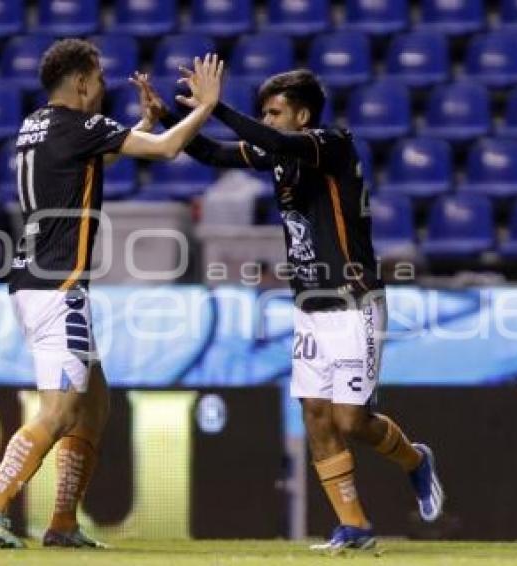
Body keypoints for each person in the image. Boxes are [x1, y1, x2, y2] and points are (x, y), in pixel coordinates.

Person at [135, 69, 444, 552]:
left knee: (351, 422)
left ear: (302, 115)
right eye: (264, 112)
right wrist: (169, 118)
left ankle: (414, 459)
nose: (266, 120)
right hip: (308, 305)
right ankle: (355, 526)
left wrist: (214, 107)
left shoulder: (331, 145)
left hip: (353, 300)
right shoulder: (279, 154)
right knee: (315, 414)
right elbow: (215, 153)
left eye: (274, 112)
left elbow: (259, 137)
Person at [0, 39, 224, 549]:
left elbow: (85, 164)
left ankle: (62, 525)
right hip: (58, 285)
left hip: (32, 279)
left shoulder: (34, 125)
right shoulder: (81, 128)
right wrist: (206, 106)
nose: (102, 88)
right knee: (58, 411)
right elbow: (168, 150)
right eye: (99, 79)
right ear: (81, 81)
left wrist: (141, 126)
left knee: (95, 405)